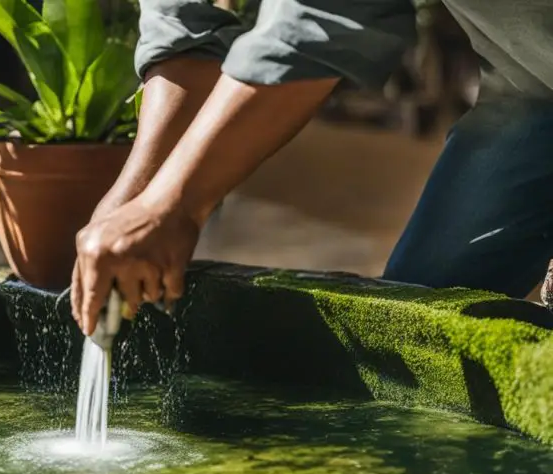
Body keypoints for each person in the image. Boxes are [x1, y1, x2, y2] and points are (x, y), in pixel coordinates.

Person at [70, 0, 553, 337]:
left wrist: (172, 205)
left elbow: (325, 18)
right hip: (533, 87)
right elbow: (183, 23)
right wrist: (136, 198)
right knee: (415, 324)